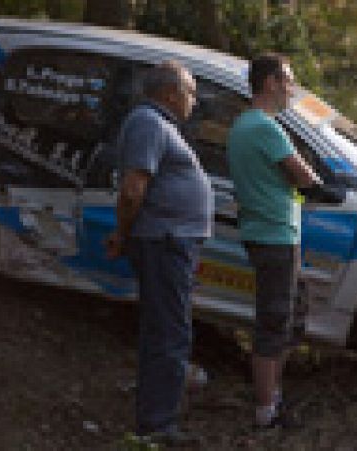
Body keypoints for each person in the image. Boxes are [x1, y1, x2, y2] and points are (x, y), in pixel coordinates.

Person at [227, 53, 340, 428]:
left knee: (291, 312)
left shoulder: (244, 124)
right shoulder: (264, 127)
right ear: (271, 82)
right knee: (274, 321)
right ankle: (266, 410)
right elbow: (301, 173)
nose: (292, 88)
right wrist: (323, 187)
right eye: (289, 80)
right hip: (274, 233)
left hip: (265, 230)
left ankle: (272, 396)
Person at [106, 60, 211, 446]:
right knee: (169, 334)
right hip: (164, 242)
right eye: (192, 93)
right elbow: (133, 189)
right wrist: (122, 232)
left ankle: (155, 422)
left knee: (166, 331)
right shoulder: (149, 123)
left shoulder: (158, 124)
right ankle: (157, 427)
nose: (194, 102)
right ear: (170, 93)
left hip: (170, 242)